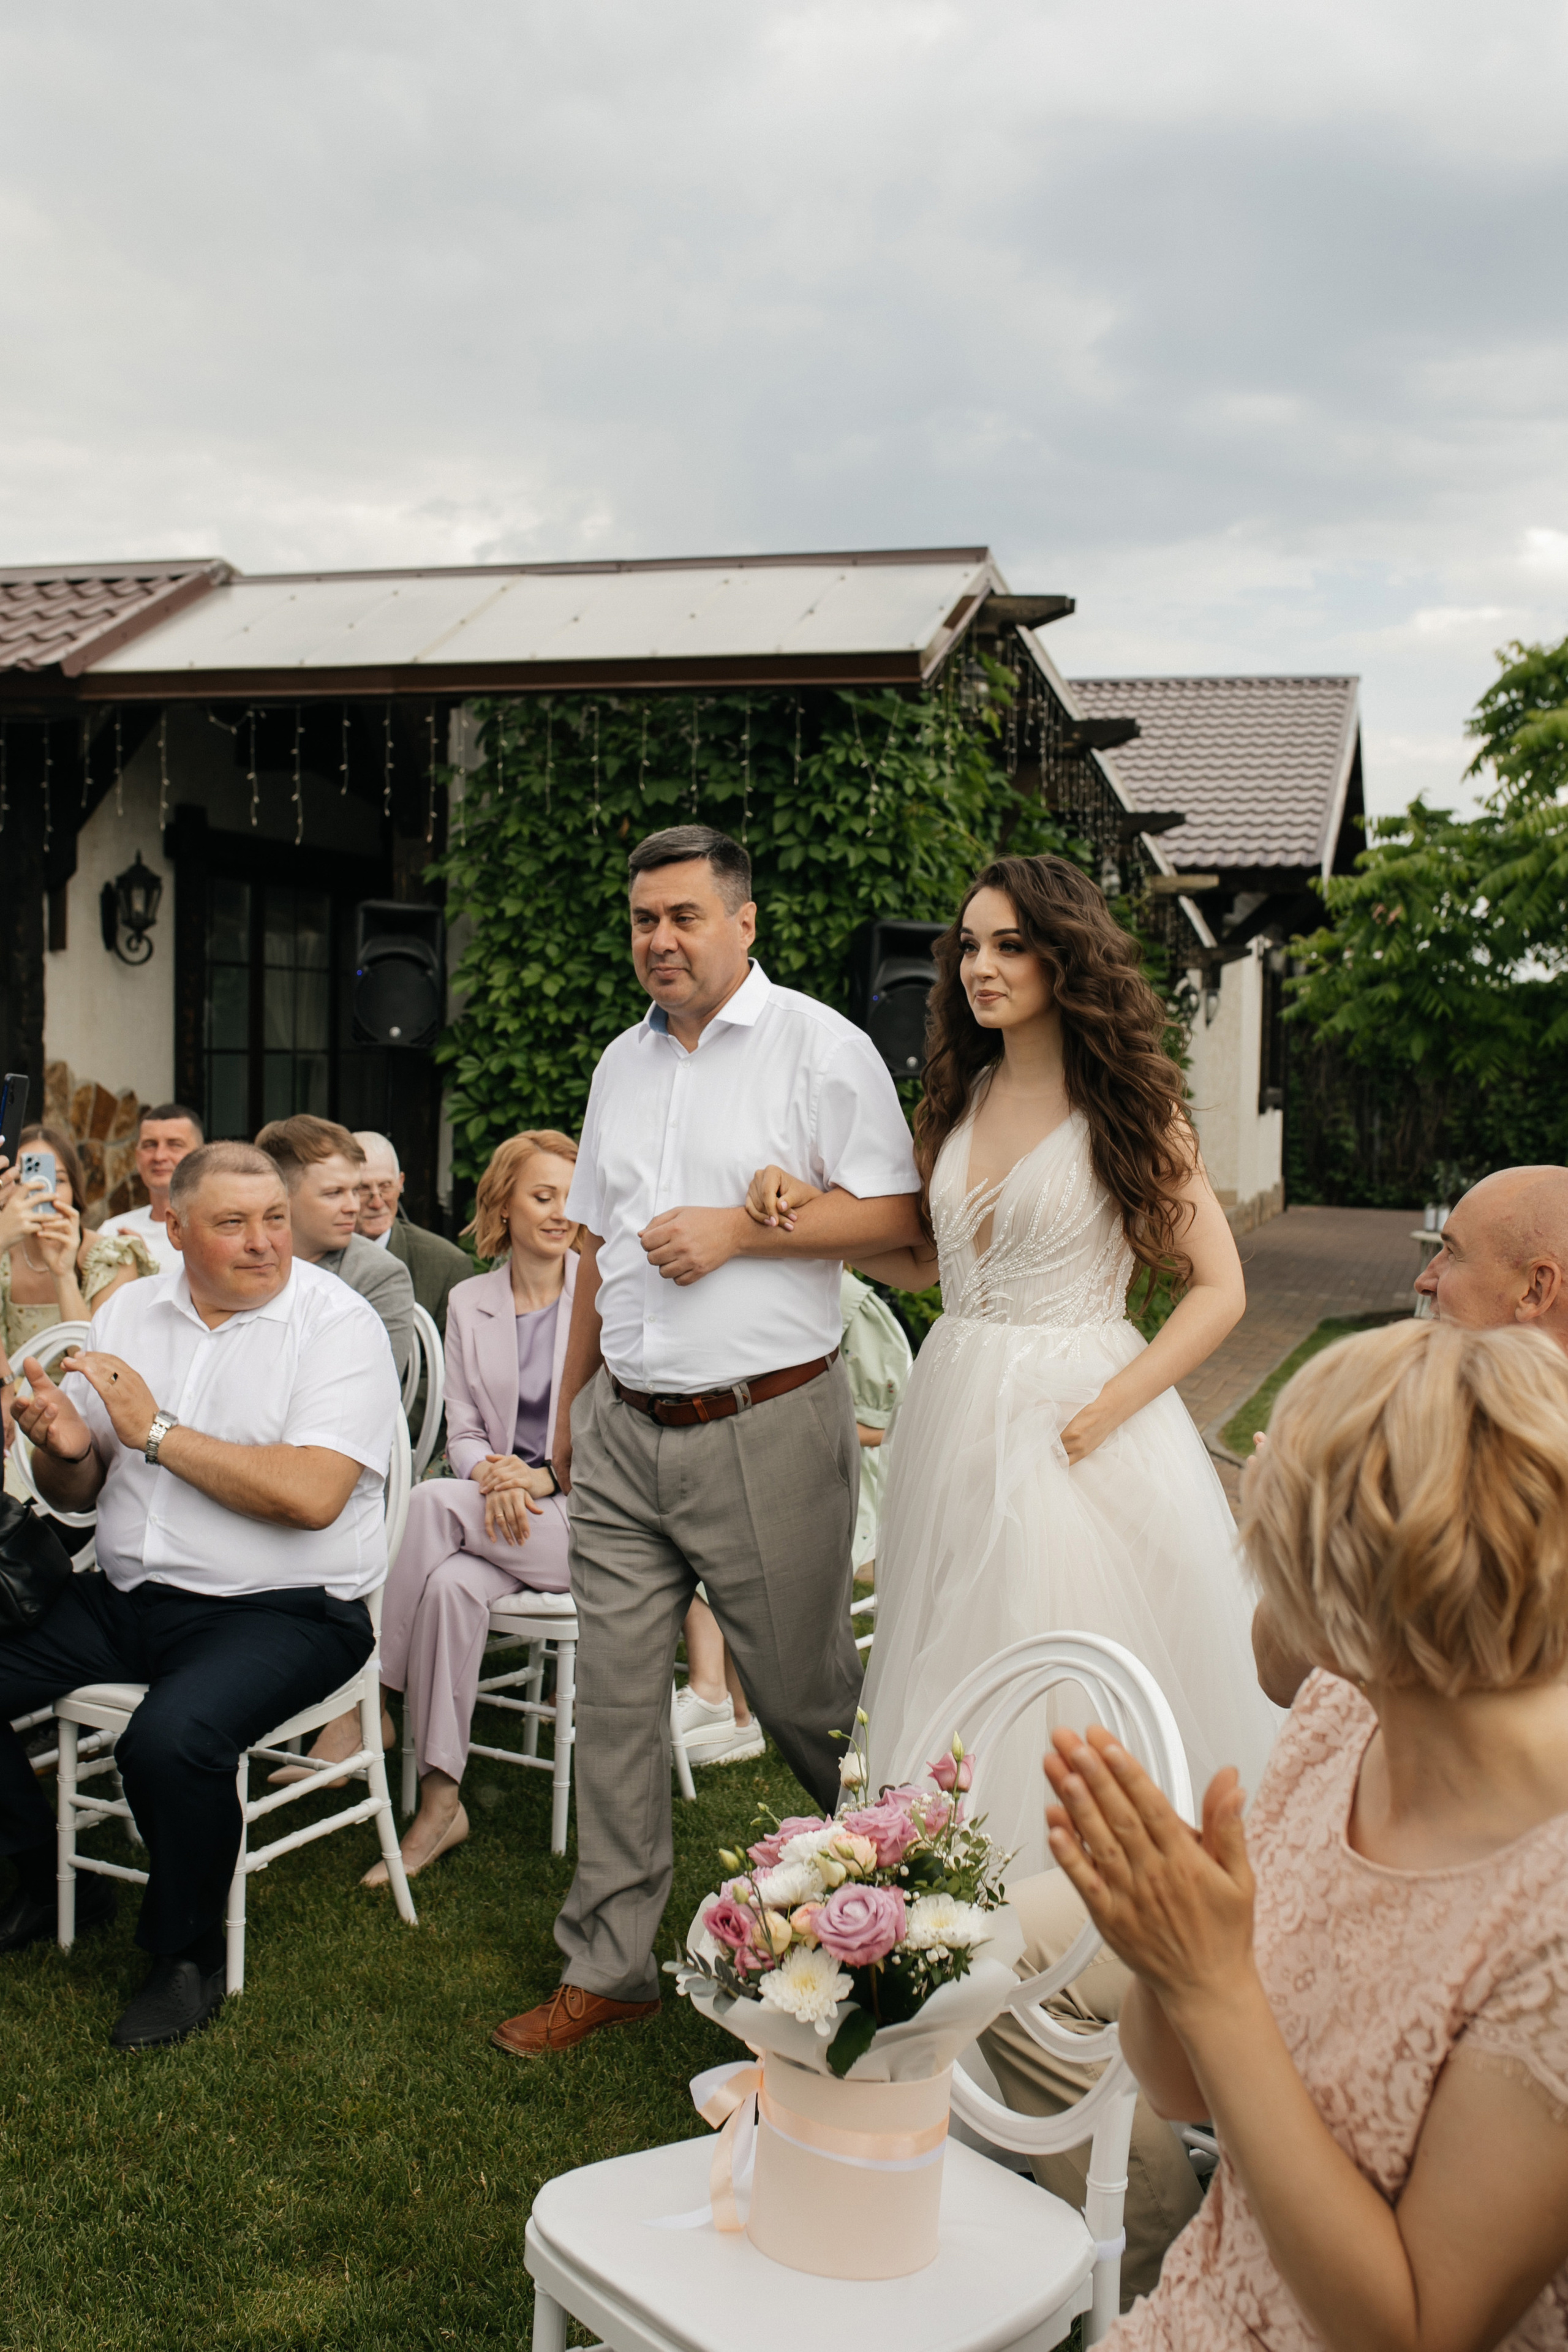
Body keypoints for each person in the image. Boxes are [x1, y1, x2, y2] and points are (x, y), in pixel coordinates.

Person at [746, 854, 1278, 1872]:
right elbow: (919, 1263)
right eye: (969, 944)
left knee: (1060, 1652)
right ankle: (948, 1913)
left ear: (1064, 957)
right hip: (956, 1399)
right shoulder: (963, 1094)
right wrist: (800, 1205)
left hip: (1081, 1416)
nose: (979, 965)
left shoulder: (1131, 1106)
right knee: (953, 1640)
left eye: (1009, 944)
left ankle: (1080, 1922)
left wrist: (1112, 1406)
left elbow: (1221, 1287)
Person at [1044, 1317, 1568, 2351]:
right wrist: (1172, 1947)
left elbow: (1418, 2333)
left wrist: (1214, 1985)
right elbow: (1178, 2083)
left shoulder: (1550, 1913)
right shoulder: (1342, 1712)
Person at [489, 823, 924, 2058]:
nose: (659, 940)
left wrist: (741, 1233)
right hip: (622, 1431)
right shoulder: (618, 1066)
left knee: (803, 1702)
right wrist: (569, 1413)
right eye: (643, 920)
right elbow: (590, 1255)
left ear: (744, 922)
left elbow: (900, 1218)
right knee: (613, 1706)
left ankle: (910, 1919)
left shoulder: (819, 1048)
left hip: (767, 1422)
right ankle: (609, 1965)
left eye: (684, 916)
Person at [0, 1142, 401, 2049]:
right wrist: (68, 1447)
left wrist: (156, 1432)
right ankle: (45, 1876)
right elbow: (84, 1491)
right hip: (129, 1594)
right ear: (172, 1229)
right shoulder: (130, 1313)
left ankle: (187, 1956)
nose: (265, 1243)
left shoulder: (335, 1324)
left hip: (286, 1608)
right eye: (233, 1224)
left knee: (171, 1741)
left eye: (273, 1220)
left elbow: (311, 1497)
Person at [301, 1132, 578, 1870]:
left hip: (585, 1522)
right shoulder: (469, 1298)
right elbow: (461, 1425)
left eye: (569, 1199)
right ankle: (440, 1803)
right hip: (493, 1518)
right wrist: (491, 1474)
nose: (559, 1213)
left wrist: (542, 1479)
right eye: (542, 1196)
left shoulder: (607, 1297)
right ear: (504, 1205)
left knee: (426, 1504)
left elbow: (619, 1425)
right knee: (453, 1588)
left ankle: (366, 1702)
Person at [1254, 1160, 1568, 1713]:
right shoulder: (1401, 1431)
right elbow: (1278, 1678)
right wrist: (1307, 1533)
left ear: (1535, 1288)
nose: (1425, 1278)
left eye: (1453, 1252)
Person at [674, 1267, 913, 1768]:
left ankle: (715, 1695)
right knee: (703, 1526)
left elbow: (884, 1424)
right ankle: (733, 1712)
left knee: (724, 1541)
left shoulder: (851, 1301)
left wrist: (785, 1418)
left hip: (838, 1474)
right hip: (758, 1465)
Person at [255, 1116, 414, 1379]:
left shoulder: (380, 1275)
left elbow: (368, 1391)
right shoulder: (241, 1258)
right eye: (335, 1193)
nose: (354, 1206)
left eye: (354, 1190)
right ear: (280, 1197)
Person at [0, 1123, 156, 1361]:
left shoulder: (112, 1257)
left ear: (74, 1189)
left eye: (58, 1180)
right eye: (25, 1178)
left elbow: (97, 1367)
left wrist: (63, 1275)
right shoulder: (3, 1256)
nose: (41, 1190)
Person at [352, 1131, 472, 1339]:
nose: (377, 1202)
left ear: (401, 1183)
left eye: (386, 1187)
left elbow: (442, 1365)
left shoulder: (447, 1265)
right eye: (363, 1189)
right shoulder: (314, 1253)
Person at [105, 1103, 205, 1272]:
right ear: (137, 1158)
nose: (159, 1156)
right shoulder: (112, 1231)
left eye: (174, 1144)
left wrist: (148, 1265)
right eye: (150, 1145)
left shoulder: (216, 1231)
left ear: (200, 1156)